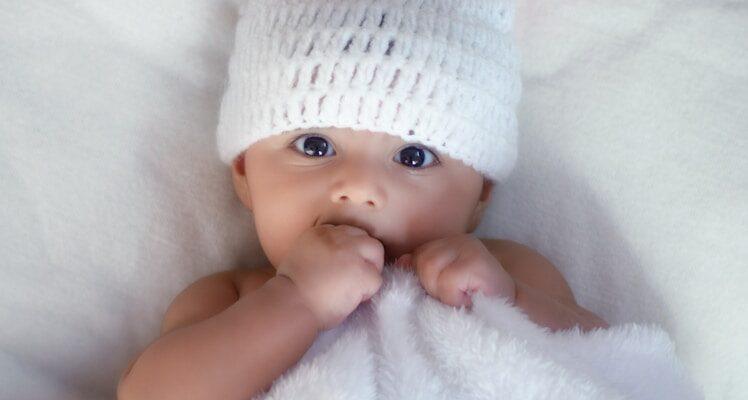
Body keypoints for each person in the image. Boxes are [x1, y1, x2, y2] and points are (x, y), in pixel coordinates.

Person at [117, 1, 608, 399]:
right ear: (245, 173)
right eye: (315, 146)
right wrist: (297, 301)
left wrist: (508, 302)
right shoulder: (235, 299)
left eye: (414, 156)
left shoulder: (510, 271)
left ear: (480, 195)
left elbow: (606, 366)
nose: (359, 187)